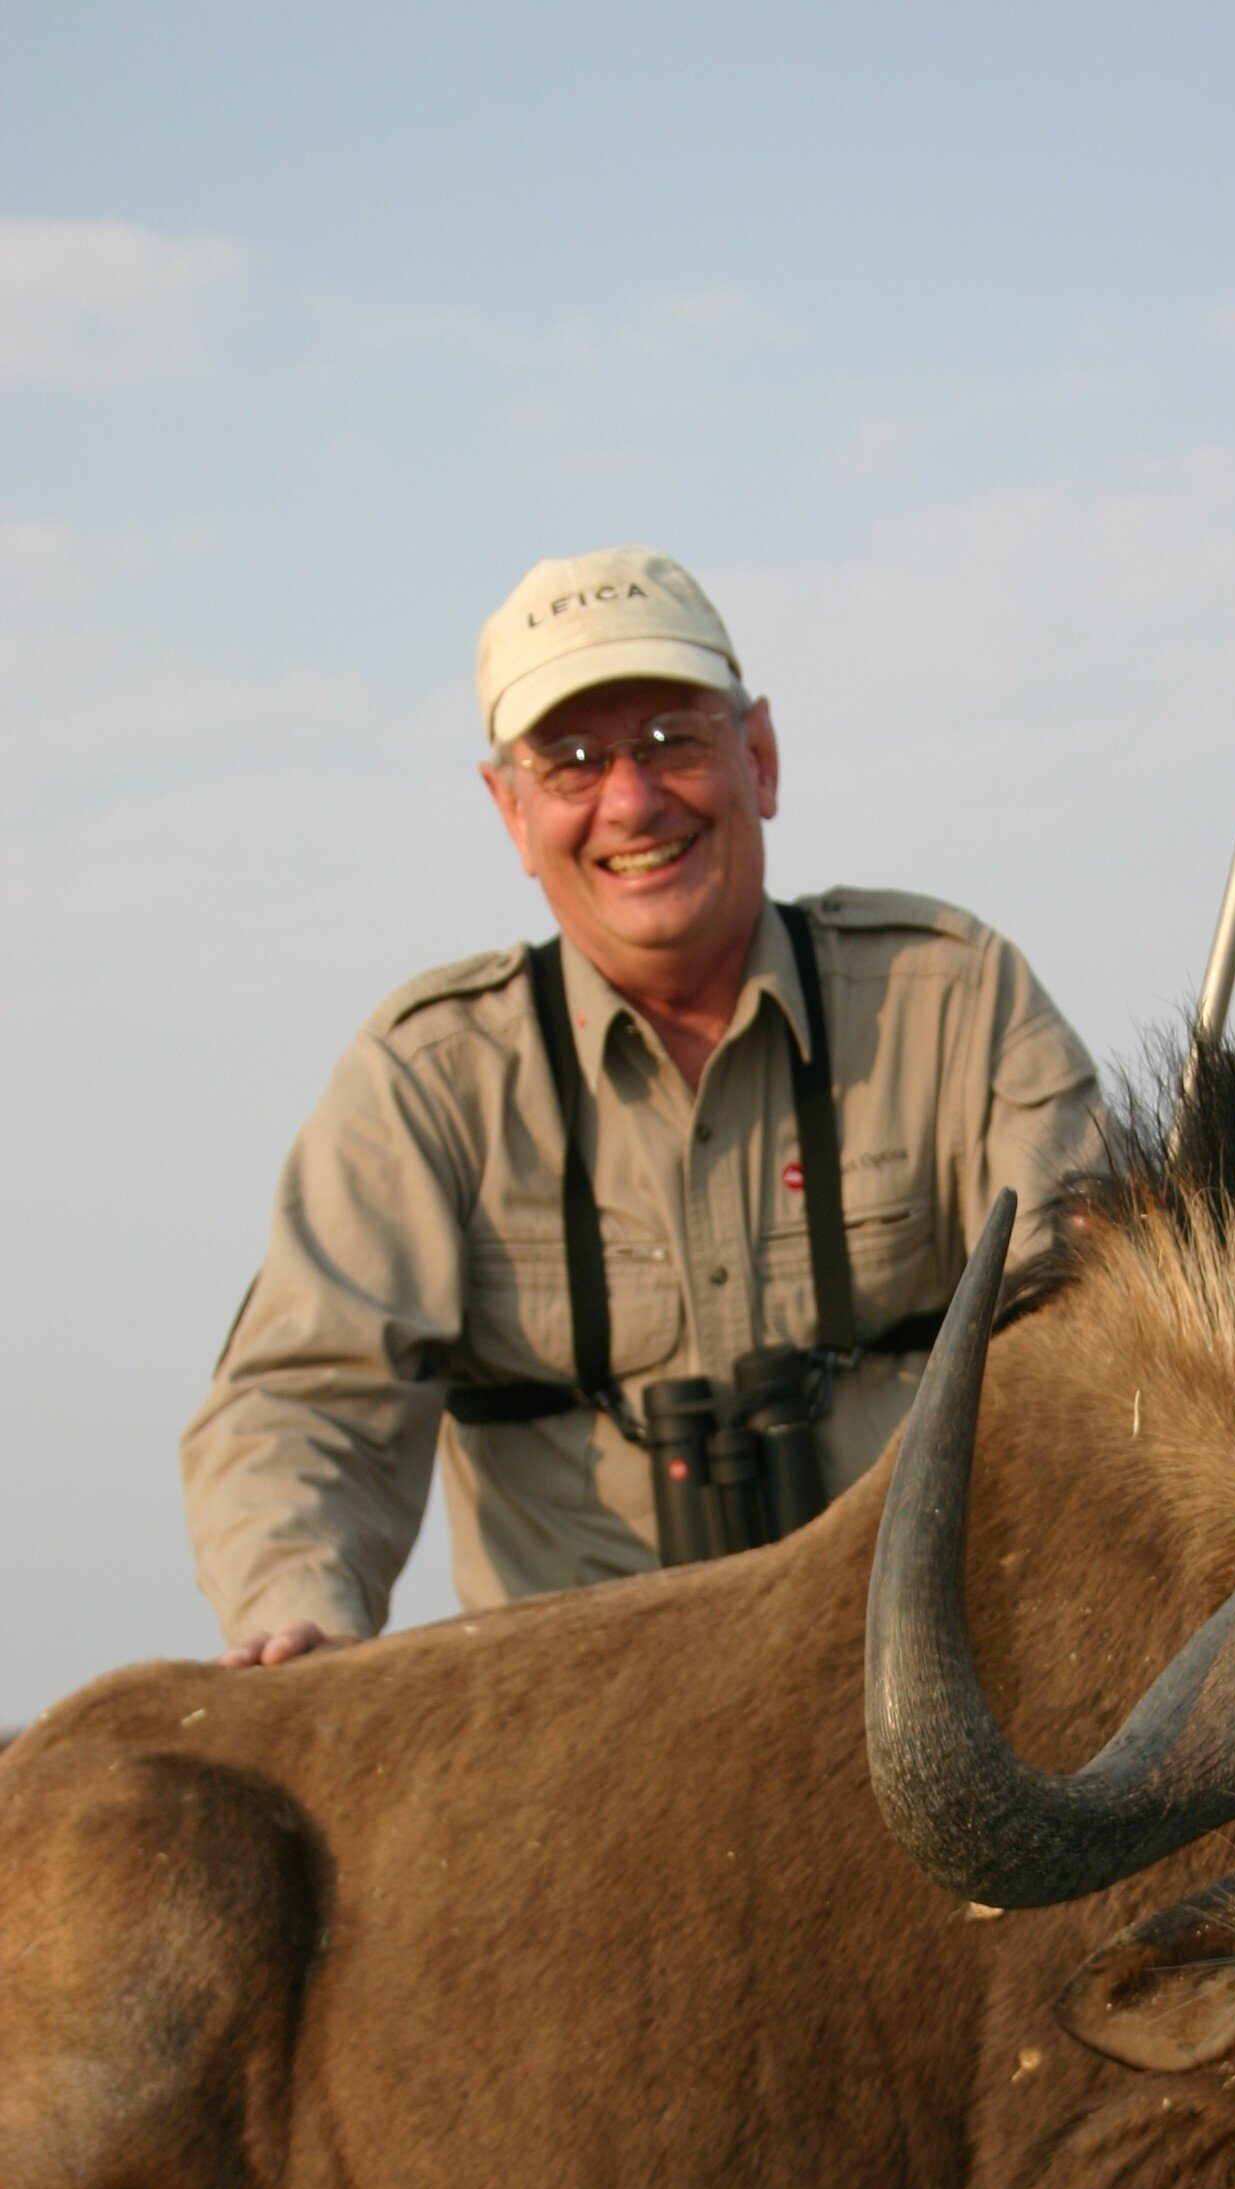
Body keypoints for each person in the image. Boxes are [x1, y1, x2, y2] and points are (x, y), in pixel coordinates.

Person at [182, 546, 1101, 1665]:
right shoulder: (428, 1080)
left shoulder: (954, 1000)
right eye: (569, 762)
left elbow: (1105, 1348)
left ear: (758, 757)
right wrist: (299, 1614)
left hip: (929, 1688)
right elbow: (303, 1405)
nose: (630, 799)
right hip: (577, 1742)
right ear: (510, 812)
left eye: (673, 740)